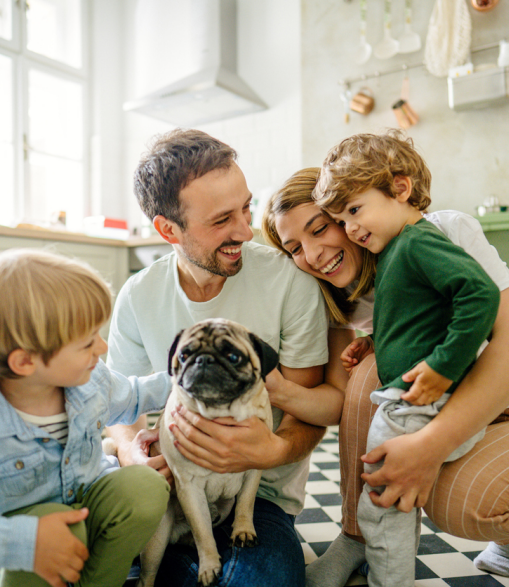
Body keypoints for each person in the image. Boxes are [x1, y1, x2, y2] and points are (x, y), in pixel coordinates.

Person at [261, 144, 509, 586]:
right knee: (365, 380)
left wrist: (429, 449)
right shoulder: (339, 300)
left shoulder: (440, 234)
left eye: (324, 226)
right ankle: (357, 538)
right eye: (294, 249)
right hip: (441, 406)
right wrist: (287, 387)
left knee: (459, 504)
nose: (314, 253)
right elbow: (340, 403)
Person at [105, 129, 332, 587]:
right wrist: (132, 451)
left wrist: (275, 449)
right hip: (174, 490)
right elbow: (118, 407)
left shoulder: (289, 281)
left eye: (246, 207)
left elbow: (307, 408)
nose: (246, 231)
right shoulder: (138, 296)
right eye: (221, 219)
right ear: (169, 229)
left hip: (261, 494)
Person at [0, 248, 172, 587]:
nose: (102, 348)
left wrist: (192, 379)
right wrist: (23, 541)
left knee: (145, 487)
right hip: (23, 564)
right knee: (52, 518)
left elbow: (137, 394)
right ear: (24, 362)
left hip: (87, 518)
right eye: (86, 342)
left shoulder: (89, 382)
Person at [315, 131, 501, 587]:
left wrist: (443, 367)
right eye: (341, 218)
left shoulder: (419, 241)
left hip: (416, 402)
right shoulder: (397, 248)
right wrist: (376, 341)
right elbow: (423, 315)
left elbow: (480, 294)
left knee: (380, 500)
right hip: (414, 396)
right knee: (384, 497)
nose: (352, 228)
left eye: (355, 211)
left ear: (400, 189)